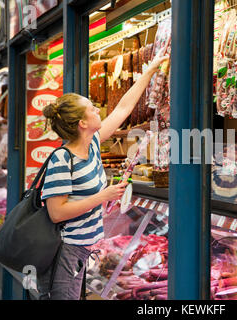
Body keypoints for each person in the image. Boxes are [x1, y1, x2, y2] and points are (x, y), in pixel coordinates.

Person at [37, 52, 168, 300]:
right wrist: (102, 196)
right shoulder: (62, 159)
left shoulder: (93, 144)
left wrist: (150, 70)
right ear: (81, 124)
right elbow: (57, 212)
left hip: (84, 249)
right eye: (91, 108)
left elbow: (124, 108)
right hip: (66, 252)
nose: (97, 109)